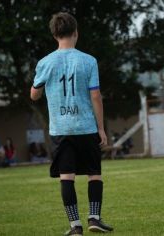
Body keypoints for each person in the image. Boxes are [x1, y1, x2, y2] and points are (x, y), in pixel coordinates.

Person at [30, 12, 113, 235]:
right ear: (76, 32)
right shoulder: (89, 60)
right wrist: (101, 128)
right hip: (86, 127)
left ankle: (75, 226)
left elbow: (34, 95)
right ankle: (94, 218)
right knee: (94, 173)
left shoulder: (45, 62)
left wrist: (40, 86)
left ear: (55, 34)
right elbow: (95, 96)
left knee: (67, 177)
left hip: (61, 129)